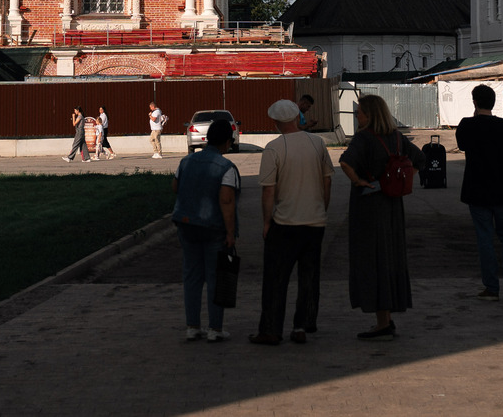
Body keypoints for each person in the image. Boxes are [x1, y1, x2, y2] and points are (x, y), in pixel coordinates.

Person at [339, 93, 423, 340]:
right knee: (390, 258)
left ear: (369, 114)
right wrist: (400, 181)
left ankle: (382, 322)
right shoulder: (397, 137)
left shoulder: (364, 138)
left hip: (369, 207)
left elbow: (345, 163)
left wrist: (360, 182)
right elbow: (419, 158)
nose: (357, 116)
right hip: (392, 206)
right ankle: (386, 318)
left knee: (371, 260)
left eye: (359, 112)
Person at [249, 99, 331, 347]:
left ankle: (271, 329)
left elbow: (268, 191)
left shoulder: (274, 148)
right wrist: (321, 208)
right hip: (315, 222)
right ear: (297, 117)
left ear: (275, 122)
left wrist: (266, 221)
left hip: (284, 223)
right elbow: (327, 180)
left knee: (276, 278)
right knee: (309, 277)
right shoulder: (317, 143)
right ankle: (302, 325)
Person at [173, 112, 240, 341]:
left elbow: (175, 186)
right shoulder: (227, 167)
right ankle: (215, 329)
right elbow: (227, 201)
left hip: (186, 224)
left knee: (191, 276)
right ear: (227, 141)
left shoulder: (186, 161)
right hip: (214, 228)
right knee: (215, 277)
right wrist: (231, 233)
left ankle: (192, 326)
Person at [455, 84, 503, 301]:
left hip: (477, 191)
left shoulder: (467, 125)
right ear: (494, 103)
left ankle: (491, 287)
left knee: (484, 238)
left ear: (474, 102)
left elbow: (462, 146)